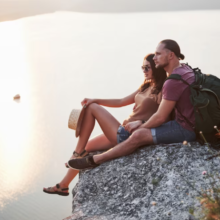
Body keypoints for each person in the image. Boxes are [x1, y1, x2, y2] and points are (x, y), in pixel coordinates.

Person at [43, 53, 168, 196]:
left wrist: (142, 122)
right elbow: (121, 101)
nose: (144, 71)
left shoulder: (163, 90)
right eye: (142, 67)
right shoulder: (145, 86)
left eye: (148, 68)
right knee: (88, 145)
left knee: (92, 108)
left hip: (128, 135)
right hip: (121, 129)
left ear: (156, 68)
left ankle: (77, 154)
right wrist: (97, 99)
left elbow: (164, 117)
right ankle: (63, 185)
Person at [67, 39, 196, 171]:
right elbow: (124, 101)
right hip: (188, 122)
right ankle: (66, 180)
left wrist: (141, 125)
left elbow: (161, 117)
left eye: (158, 54)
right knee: (133, 134)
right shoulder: (184, 69)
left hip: (185, 128)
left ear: (171, 55)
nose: (155, 58)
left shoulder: (171, 82)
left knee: (138, 135)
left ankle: (96, 159)